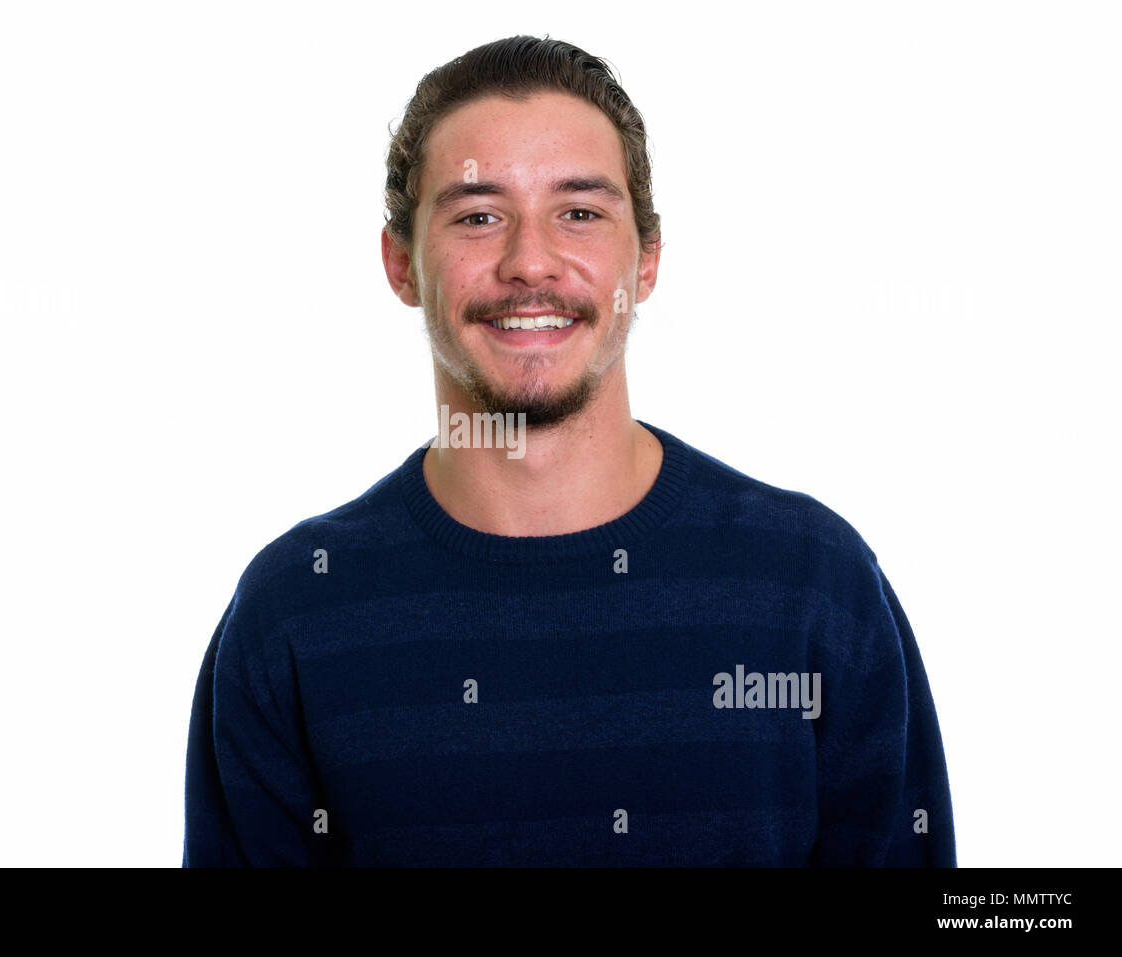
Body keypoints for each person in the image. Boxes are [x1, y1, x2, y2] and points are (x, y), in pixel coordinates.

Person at [183, 35, 955, 867]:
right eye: (478, 216)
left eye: (580, 212)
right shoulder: (292, 613)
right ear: (401, 263)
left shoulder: (814, 585)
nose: (531, 262)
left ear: (647, 259)